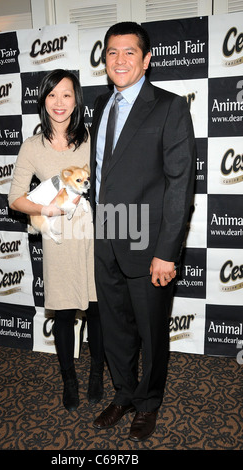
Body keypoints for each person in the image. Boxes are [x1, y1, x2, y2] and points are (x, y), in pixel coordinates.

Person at [89, 22, 196, 441]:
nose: (119, 60)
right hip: (106, 232)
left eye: (129, 52)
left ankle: (148, 402)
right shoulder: (99, 104)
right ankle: (124, 394)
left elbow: (179, 185)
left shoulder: (169, 107)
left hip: (148, 240)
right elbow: (102, 174)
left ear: (146, 59)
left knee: (151, 329)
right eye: (112, 52)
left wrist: (167, 252)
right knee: (114, 325)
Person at [8, 69, 104, 412]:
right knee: (63, 313)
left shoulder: (92, 139)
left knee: (96, 311)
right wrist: (46, 210)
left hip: (92, 235)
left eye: (66, 94)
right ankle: (69, 379)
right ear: (43, 100)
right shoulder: (32, 146)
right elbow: (15, 199)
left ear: (76, 99)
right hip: (58, 239)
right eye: (52, 95)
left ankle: (95, 374)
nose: (59, 102)